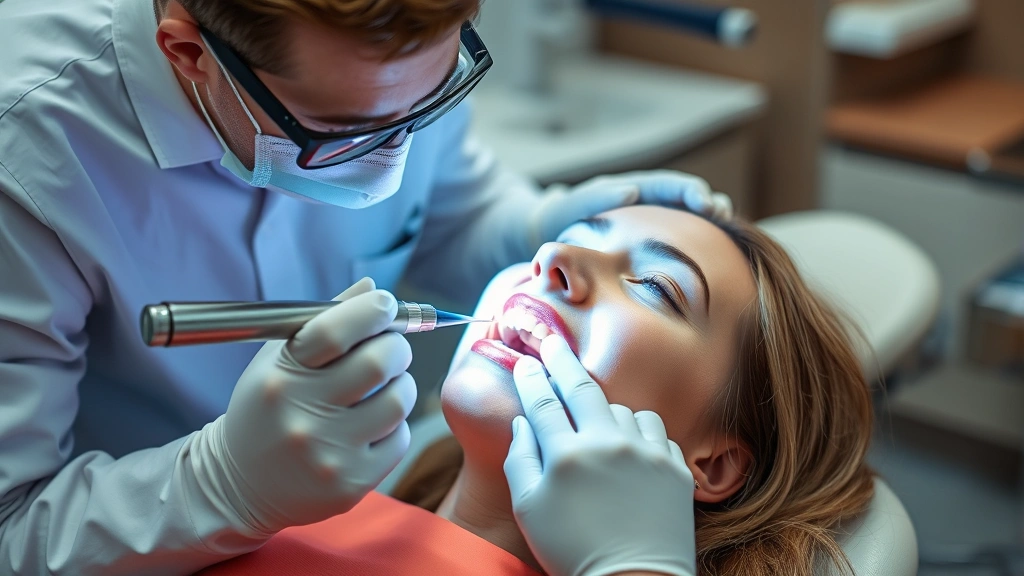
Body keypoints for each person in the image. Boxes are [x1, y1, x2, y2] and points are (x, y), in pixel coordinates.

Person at [0, 0, 733, 574]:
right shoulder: (27, 147)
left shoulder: (397, 65)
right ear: (190, 54)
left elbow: (454, 215)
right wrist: (219, 485)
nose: (398, 159)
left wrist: (530, 223)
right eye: (348, 133)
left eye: (658, 288)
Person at [194, 205, 877, 576]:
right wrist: (210, 487)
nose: (554, 261)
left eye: (654, 288)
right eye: (565, 240)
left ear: (710, 461)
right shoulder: (310, 503)